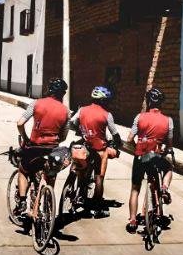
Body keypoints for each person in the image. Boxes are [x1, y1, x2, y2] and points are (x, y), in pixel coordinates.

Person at [13, 78, 70, 216]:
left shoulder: (36, 103)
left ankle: (22, 201)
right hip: (52, 149)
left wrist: (26, 138)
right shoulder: (66, 111)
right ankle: (49, 207)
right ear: (63, 94)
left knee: (23, 170)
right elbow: (63, 137)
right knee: (51, 175)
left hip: (34, 148)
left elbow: (20, 123)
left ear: (48, 90)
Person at [125, 87, 174, 233]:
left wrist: (136, 149)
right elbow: (169, 145)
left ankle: (133, 221)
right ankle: (164, 188)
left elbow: (129, 139)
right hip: (156, 156)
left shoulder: (139, 117)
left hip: (140, 156)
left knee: (135, 189)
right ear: (161, 103)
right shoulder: (168, 121)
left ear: (148, 101)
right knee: (168, 168)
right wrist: (166, 150)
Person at [69, 86, 122, 218]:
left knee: (81, 169)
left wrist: (81, 130)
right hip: (99, 150)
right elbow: (115, 134)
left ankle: (79, 194)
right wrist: (118, 144)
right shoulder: (107, 115)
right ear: (104, 101)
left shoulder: (82, 110)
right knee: (99, 177)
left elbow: (72, 123)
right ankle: (97, 209)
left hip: (85, 146)